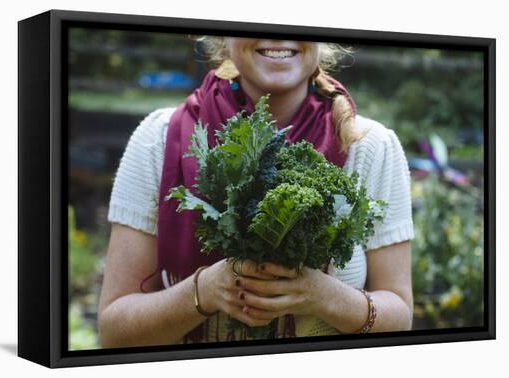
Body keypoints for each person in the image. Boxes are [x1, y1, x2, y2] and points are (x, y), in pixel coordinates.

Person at [97, 37, 415, 347]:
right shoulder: (161, 139)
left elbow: (400, 317)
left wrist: (325, 297)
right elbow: (113, 333)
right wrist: (204, 291)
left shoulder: (370, 146)